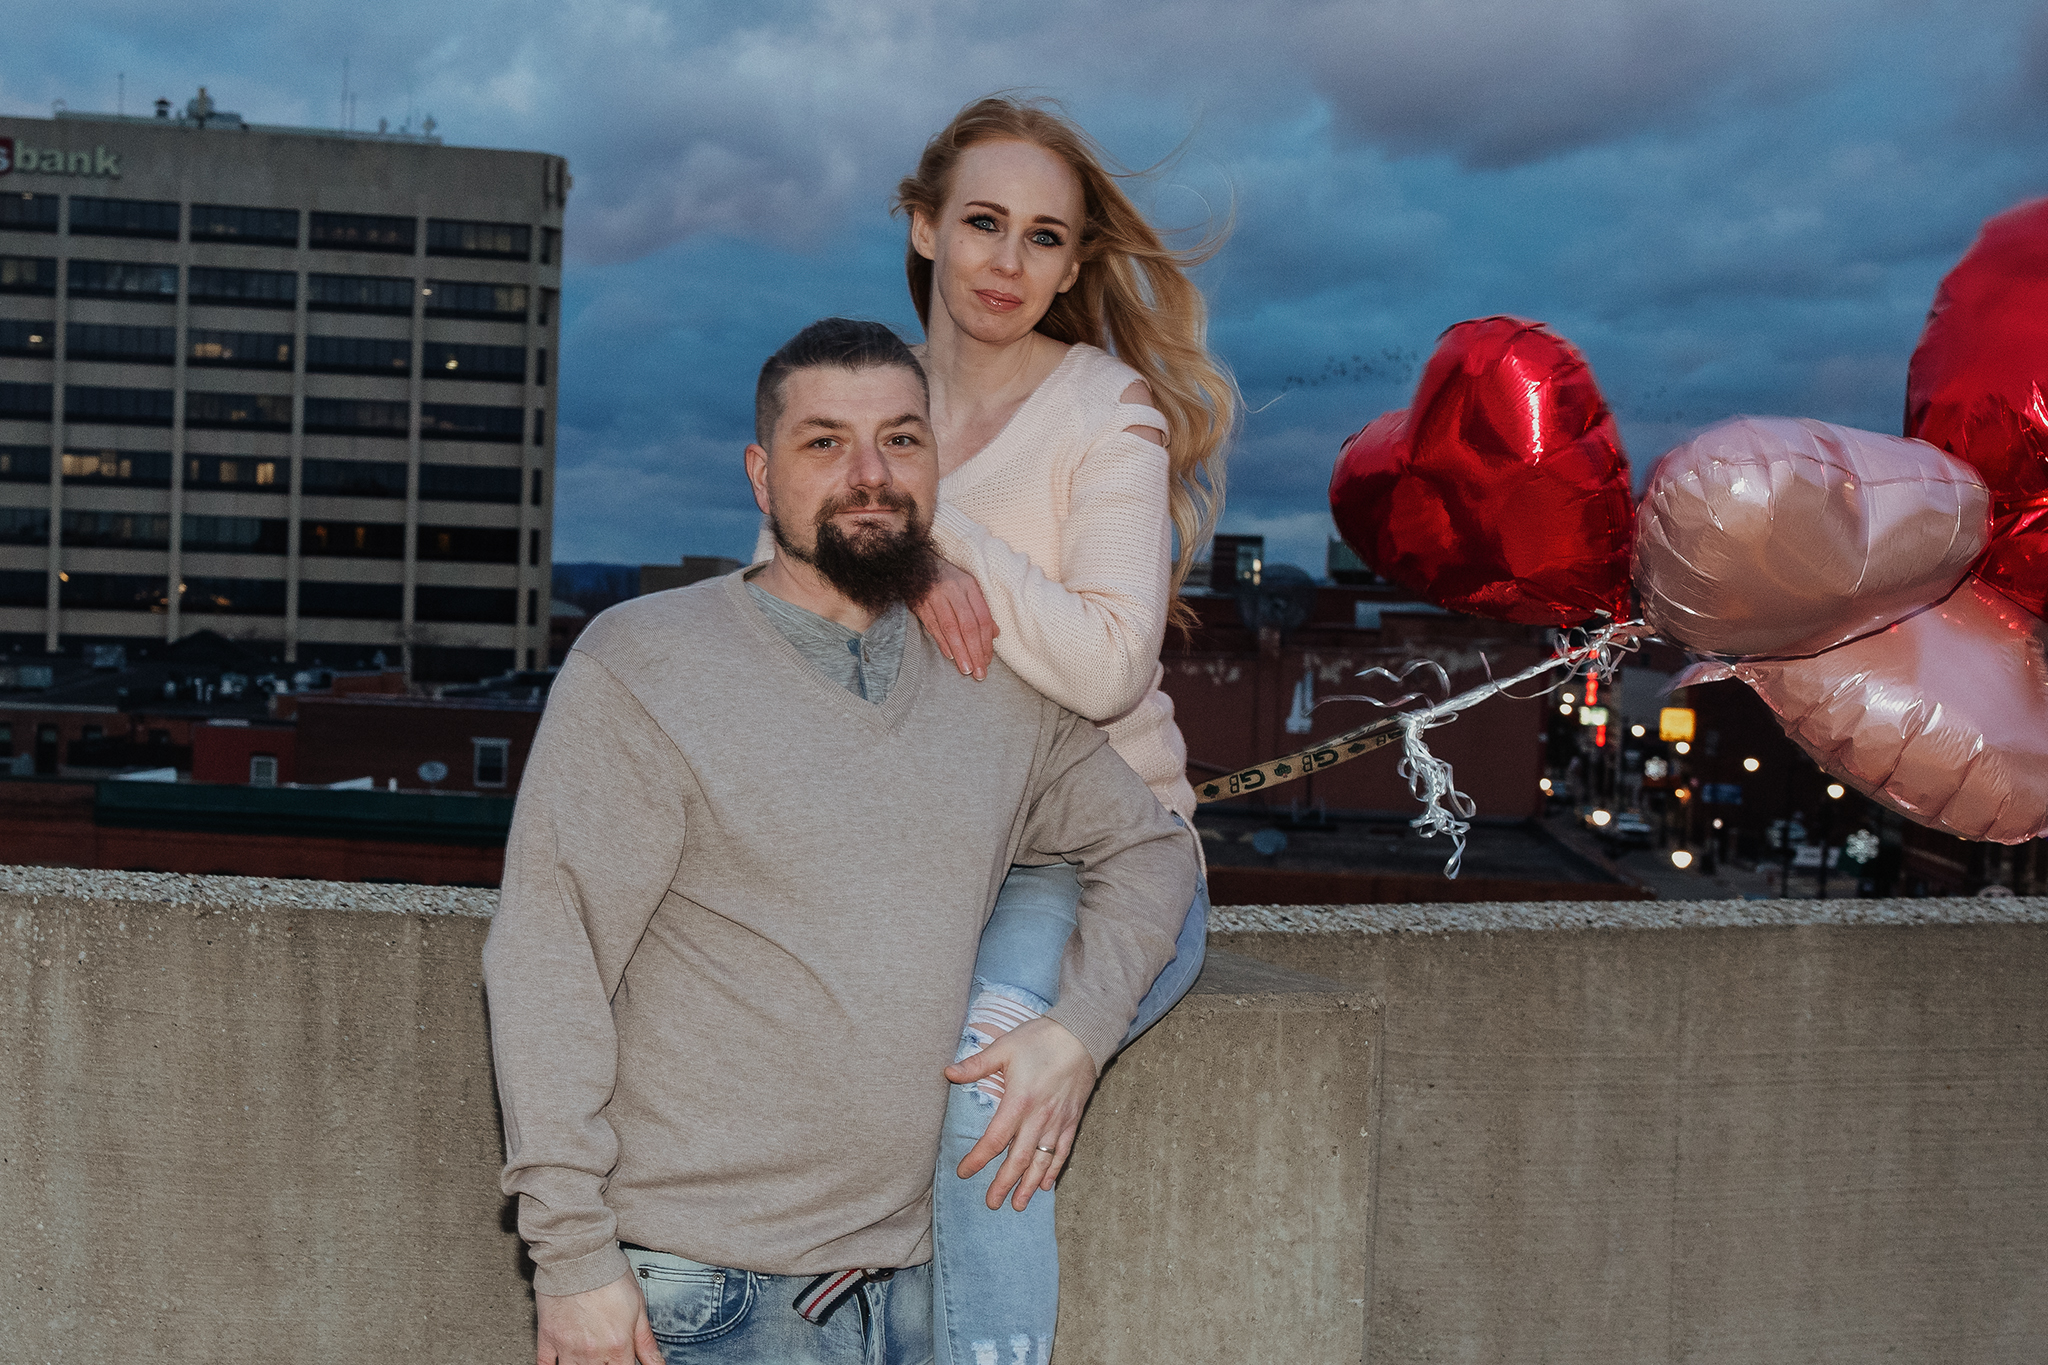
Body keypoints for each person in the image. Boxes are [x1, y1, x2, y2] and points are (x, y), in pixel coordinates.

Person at [483, 317, 1197, 1365]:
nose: (870, 474)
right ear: (761, 477)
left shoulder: (988, 681)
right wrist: (573, 1261)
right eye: (825, 443)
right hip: (709, 1296)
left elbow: (1151, 848)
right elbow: (548, 960)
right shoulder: (643, 664)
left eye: (901, 440)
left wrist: (1079, 1031)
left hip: (920, 1295)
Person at [895, 96, 1239, 1365]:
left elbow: (1104, 667)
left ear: (1074, 264)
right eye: (981, 222)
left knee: (987, 1088)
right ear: (922, 227)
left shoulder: (1108, 415)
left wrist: (934, 533)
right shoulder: (860, 407)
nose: (1005, 261)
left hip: (1096, 863)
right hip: (919, 857)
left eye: (1043, 238)